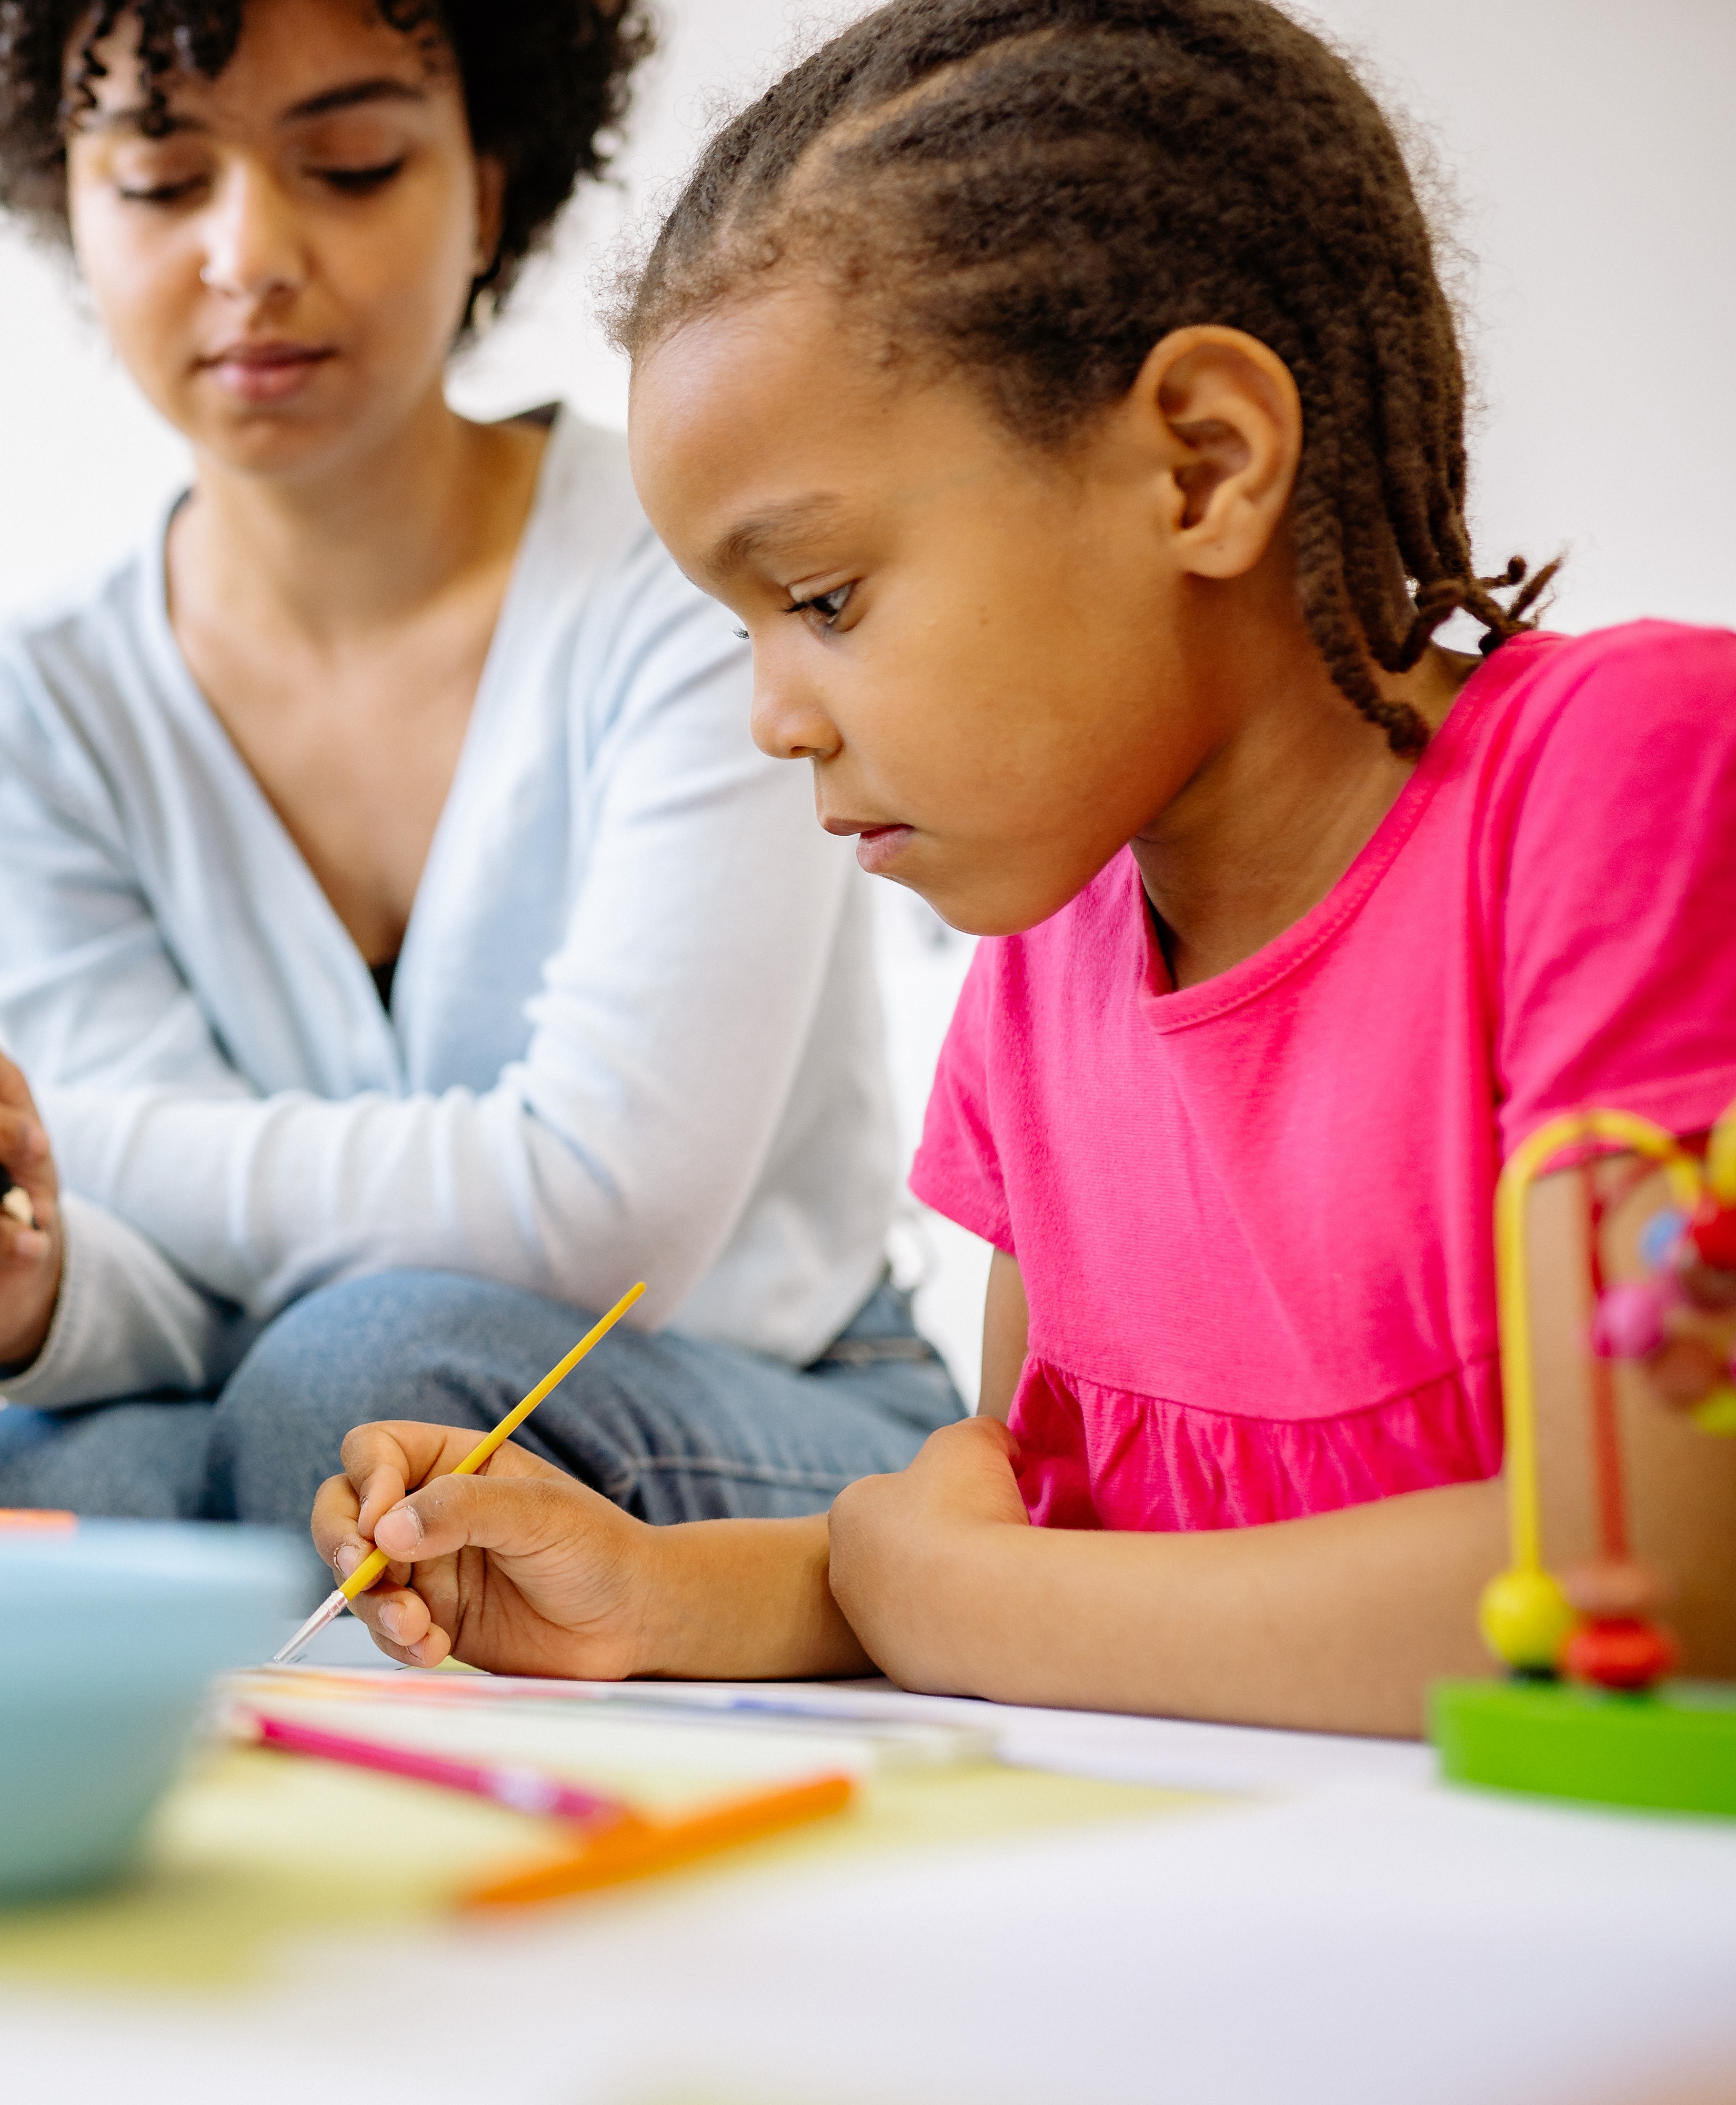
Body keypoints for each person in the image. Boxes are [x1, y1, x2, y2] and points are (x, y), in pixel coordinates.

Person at [308, 0, 1736, 1735]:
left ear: (1201, 463)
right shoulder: (1051, 971)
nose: (773, 719)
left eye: (822, 599)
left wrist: (968, 1598)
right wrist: (646, 1590)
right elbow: (1028, 1551)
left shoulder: (1627, 783)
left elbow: (1659, 1590)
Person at [0, 0, 961, 1518]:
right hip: (293, 1385)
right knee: (27, 1503)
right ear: (67, 198)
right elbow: (168, 1310)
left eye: (346, 164)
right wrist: (13, 1282)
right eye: (159, 181)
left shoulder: (692, 580)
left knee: (360, 1385)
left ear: (486, 186)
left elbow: (600, 1222)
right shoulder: (31, 700)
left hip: (783, 1387)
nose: (250, 255)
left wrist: (53, 1145)